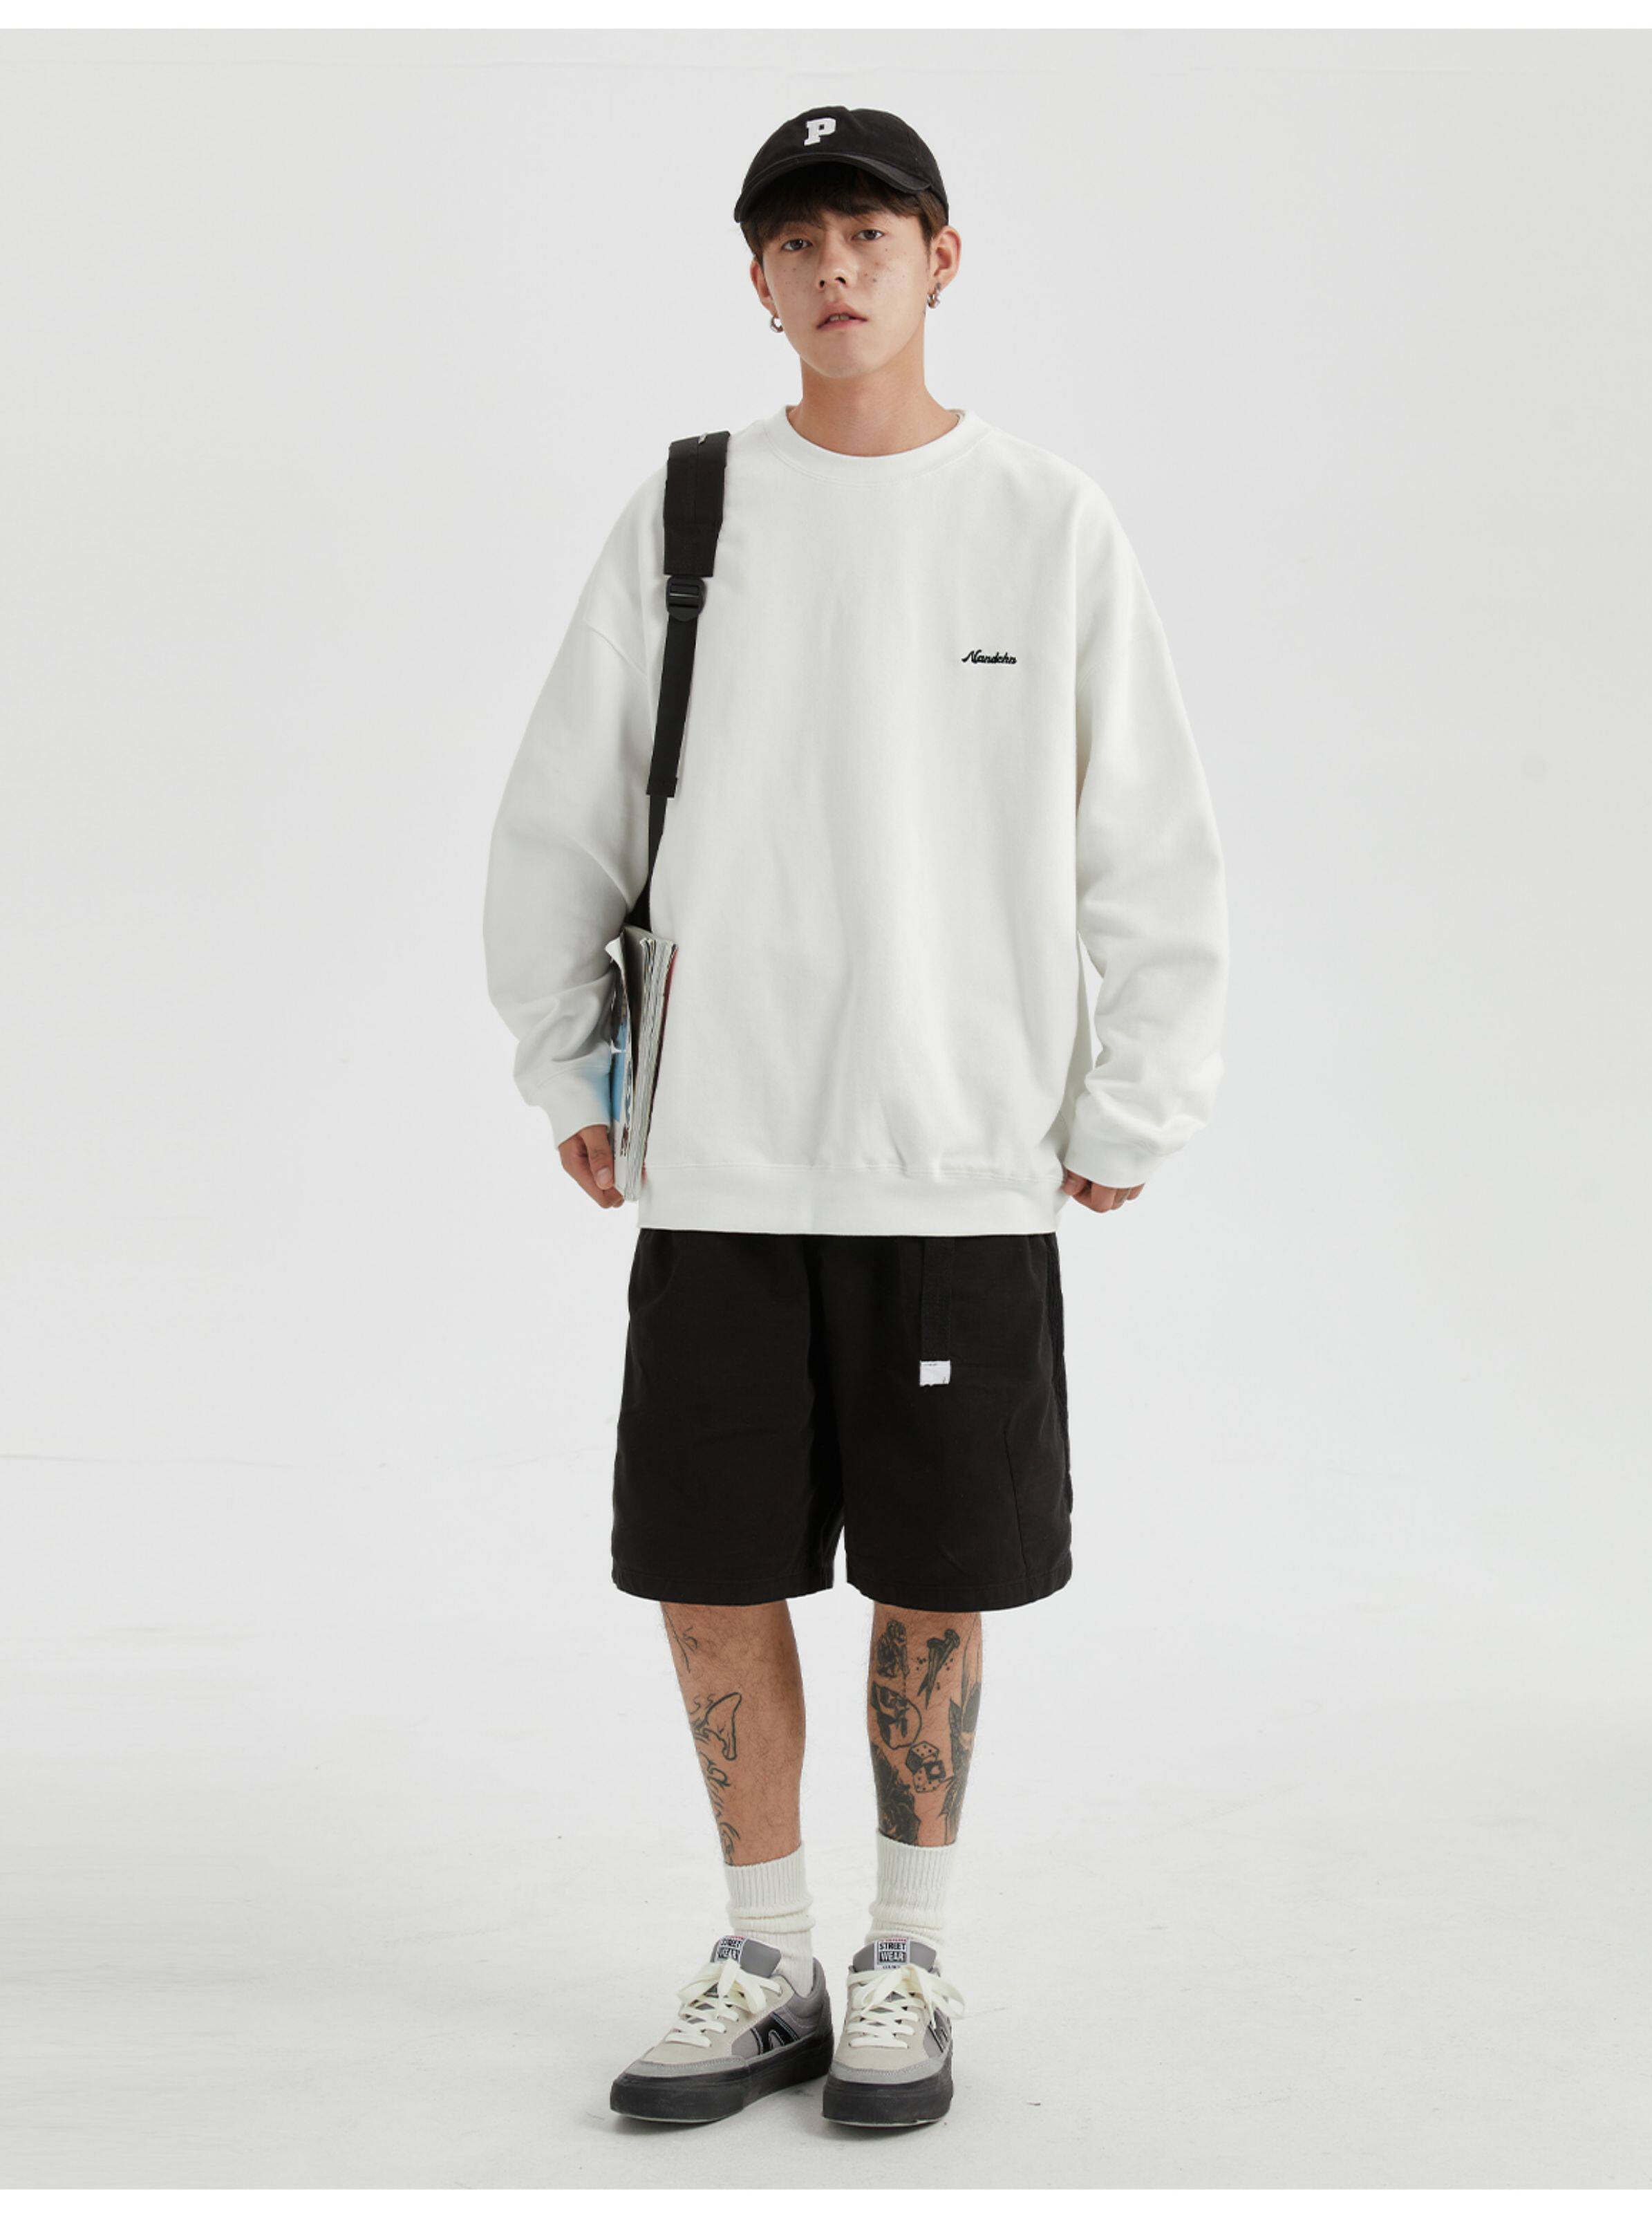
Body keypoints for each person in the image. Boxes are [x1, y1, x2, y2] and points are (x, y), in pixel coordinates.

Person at [482, 103, 1229, 2132]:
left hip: (958, 1148)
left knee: (936, 1562)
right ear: (757, 279)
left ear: (940, 259)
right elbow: (564, 807)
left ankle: (906, 1951)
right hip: (723, 1144)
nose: (836, 270)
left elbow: (1149, 835)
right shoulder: (691, 511)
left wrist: (1135, 1097)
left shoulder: (1045, 521)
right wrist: (568, 1057)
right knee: (706, 1564)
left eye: (870, 234)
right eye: (798, 241)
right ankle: (765, 1953)